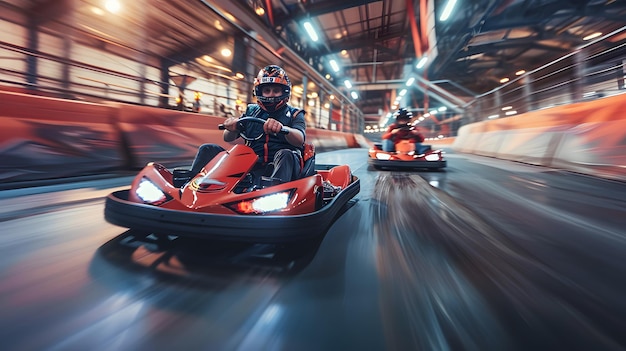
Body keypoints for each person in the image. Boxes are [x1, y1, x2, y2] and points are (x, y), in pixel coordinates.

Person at [188, 65, 307, 185]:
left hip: (282, 167)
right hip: (251, 165)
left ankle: (275, 194)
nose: (271, 95)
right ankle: (191, 187)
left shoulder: (295, 114)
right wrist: (232, 127)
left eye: (276, 91)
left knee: (285, 154)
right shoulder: (251, 111)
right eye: (267, 91)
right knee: (207, 148)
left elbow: (300, 139)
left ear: (284, 92)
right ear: (259, 92)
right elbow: (227, 137)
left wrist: (283, 129)